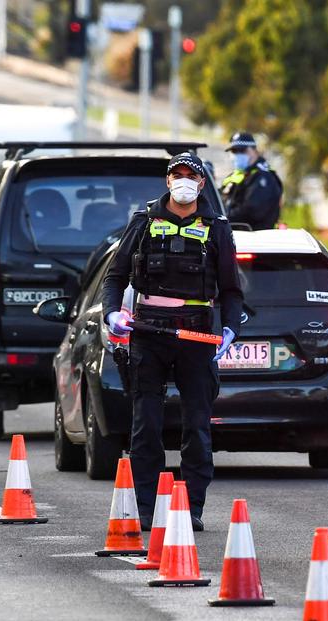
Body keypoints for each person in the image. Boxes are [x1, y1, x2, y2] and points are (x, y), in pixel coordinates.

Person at [102, 153, 244, 532]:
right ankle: (146, 507)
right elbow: (114, 277)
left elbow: (231, 289)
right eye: (176, 175)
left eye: (190, 176)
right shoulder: (144, 222)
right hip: (149, 332)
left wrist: (230, 329)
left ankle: (190, 506)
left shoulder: (216, 227)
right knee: (145, 423)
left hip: (196, 334)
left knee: (197, 424)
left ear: (201, 183)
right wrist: (112, 313)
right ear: (167, 181)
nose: (183, 181)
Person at [221, 131, 283, 230]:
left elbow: (252, 211)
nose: (237, 155)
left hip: (255, 238)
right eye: (234, 151)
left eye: (242, 151)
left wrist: (221, 218)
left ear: (254, 150)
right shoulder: (237, 175)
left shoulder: (264, 177)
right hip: (234, 234)